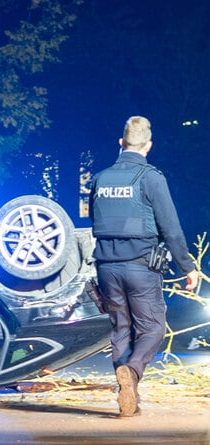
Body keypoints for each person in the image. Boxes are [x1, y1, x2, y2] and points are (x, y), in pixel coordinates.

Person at [89, 116, 198, 417]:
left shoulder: (99, 179)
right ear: (148, 146)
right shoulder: (151, 178)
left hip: (106, 268)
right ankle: (132, 372)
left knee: (121, 329)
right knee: (152, 329)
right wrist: (187, 266)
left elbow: (95, 222)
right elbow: (171, 229)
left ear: (121, 143)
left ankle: (129, 396)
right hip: (140, 267)